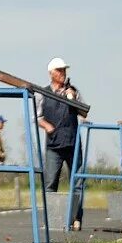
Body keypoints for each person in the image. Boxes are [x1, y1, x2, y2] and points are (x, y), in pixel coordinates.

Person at [37, 56, 87, 231]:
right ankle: (52, 219)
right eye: (59, 71)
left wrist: (72, 99)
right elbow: (38, 118)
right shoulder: (43, 93)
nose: (62, 74)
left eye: (64, 70)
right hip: (53, 145)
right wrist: (47, 126)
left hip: (72, 142)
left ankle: (76, 219)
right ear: (51, 73)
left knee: (78, 182)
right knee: (50, 183)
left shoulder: (73, 90)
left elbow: (84, 112)